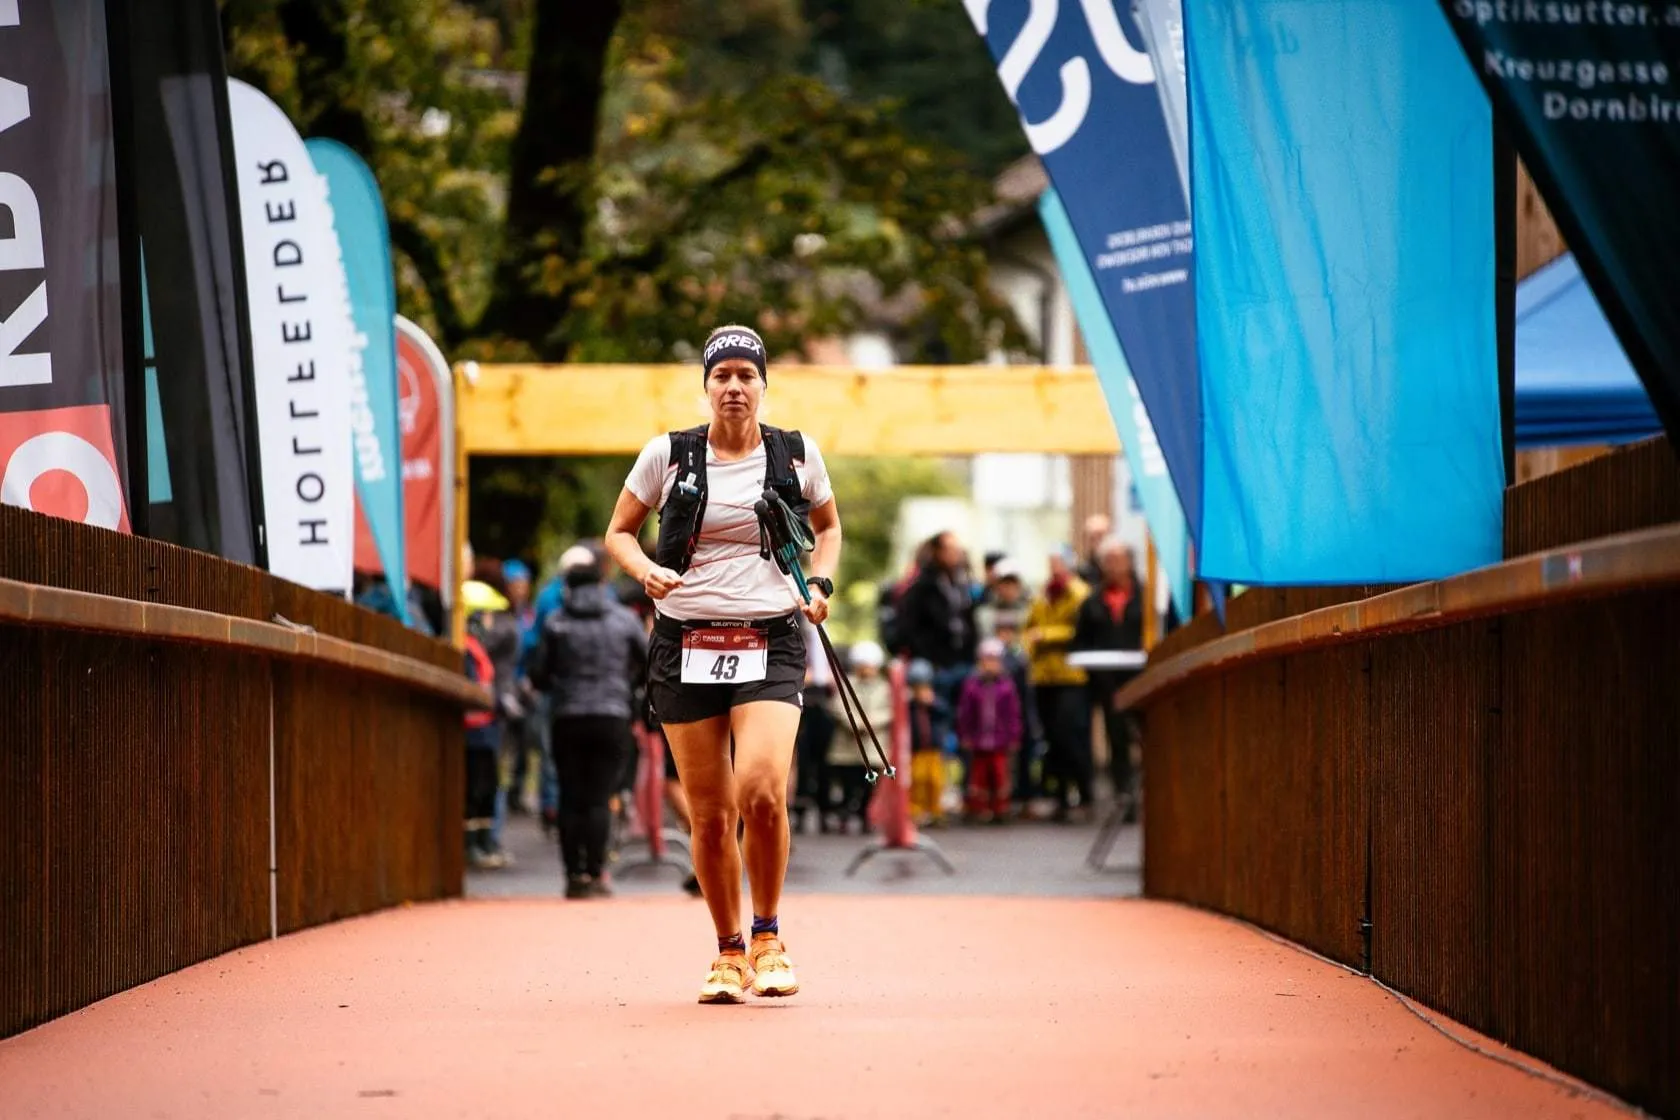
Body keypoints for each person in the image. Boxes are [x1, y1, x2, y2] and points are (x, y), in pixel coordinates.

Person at [604, 323, 840, 1005]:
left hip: (769, 636)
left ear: (764, 384)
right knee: (709, 814)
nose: (734, 387)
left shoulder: (796, 455)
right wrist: (646, 569)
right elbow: (618, 532)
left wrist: (819, 585)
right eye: (722, 376)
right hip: (686, 643)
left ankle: (769, 937)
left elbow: (828, 528)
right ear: (706, 386)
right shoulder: (669, 454)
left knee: (761, 790)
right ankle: (728, 952)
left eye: (746, 375)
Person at [528, 545, 649, 899]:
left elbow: (538, 674)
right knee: (599, 796)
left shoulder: (556, 623)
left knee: (570, 795)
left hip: (567, 716)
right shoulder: (624, 620)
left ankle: (573, 874)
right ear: (601, 582)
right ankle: (596, 872)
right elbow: (647, 661)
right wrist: (629, 687)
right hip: (612, 716)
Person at [1073, 536, 1146, 821]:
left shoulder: (1148, 598)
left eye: (1118, 559)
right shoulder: (1092, 602)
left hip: (1142, 680)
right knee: (1116, 739)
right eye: (1108, 561)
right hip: (1108, 684)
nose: (1113, 566)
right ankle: (1124, 796)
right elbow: (1080, 642)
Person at [1025, 550, 1092, 822]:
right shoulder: (1044, 593)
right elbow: (1030, 624)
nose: (1053, 568)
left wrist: (1047, 635)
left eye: (1058, 563)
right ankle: (1061, 794)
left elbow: (1080, 630)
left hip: (1070, 675)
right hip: (1044, 675)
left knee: (1071, 735)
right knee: (1051, 737)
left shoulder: (1079, 593)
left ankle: (1084, 793)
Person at [825, 641, 890, 834]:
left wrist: (871, 723)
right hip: (847, 747)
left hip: (872, 748)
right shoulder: (845, 684)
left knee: (869, 787)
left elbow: (890, 710)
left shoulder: (884, 687)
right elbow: (838, 706)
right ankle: (844, 815)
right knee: (847, 784)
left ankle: (866, 816)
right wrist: (854, 723)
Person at [956, 637, 1023, 824]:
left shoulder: (1007, 687)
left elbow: (1013, 715)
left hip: (999, 740)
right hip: (979, 741)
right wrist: (965, 735)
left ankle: (1000, 807)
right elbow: (965, 714)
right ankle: (980, 808)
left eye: (994, 661)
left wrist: (1014, 735)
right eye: (986, 660)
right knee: (979, 775)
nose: (990, 665)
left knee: (1000, 773)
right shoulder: (971, 687)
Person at [905, 659, 948, 827]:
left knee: (935, 780)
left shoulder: (936, 702)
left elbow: (945, 714)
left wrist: (933, 703)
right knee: (917, 780)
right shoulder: (909, 704)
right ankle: (916, 811)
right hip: (916, 750)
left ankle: (935, 810)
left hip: (933, 749)